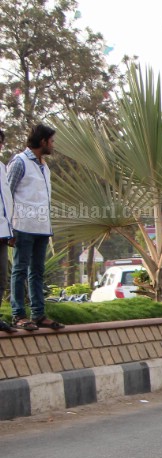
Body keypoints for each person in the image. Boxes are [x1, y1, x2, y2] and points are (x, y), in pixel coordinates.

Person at [8, 124, 62, 331]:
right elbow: (7, 193)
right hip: (22, 226)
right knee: (20, 270)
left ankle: (38, 314)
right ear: (43, 141)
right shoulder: (19, 162)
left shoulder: (44, 165)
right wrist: (9, 228)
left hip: (41, 227)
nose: (53, 145)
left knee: (37, 272)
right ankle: (18, 315)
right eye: (52, 141)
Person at [0, 129, 15, 333]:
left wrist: (11, 232)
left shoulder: (3, 167)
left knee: (1, 276)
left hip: (2, 233)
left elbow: (6, 202)